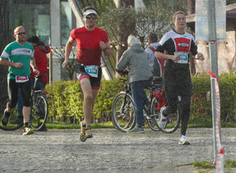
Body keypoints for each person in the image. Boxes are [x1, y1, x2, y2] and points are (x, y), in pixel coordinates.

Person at [154, 11, 205, 145]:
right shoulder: (168, 36)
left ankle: (183, 135)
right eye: (178, 19)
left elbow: (193, 53)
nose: (181, 21)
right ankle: (164, 112)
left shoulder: (190, 37)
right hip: (171, 72)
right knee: (173, 106)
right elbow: (157, 53)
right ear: (174, 22)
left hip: (184, 72)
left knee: (186, 104)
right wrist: (171, 57)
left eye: (183, 19)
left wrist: (198, 56)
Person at [62, 7, 112, 142]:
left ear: (96, 19)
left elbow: (109, 53)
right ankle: (88, 126)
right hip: (82, 67)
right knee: (88, 95)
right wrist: (66, 59)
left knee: (91, 100)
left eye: (93, 17)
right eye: (88, 17)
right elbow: (69, 44)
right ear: (84, 18)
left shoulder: (102, 33)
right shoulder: (77, 32)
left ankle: (84, 123)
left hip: (96, 68)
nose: (91, 19)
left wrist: (105, 48)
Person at [0, 26, 39, 135]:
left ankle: (26, 126)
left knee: (27, 101)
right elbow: (1, 60)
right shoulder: (10, 46)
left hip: (26, 77)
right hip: (13, 77)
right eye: (20, 33)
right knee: (13, 102)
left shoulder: (29, 47)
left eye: (24, 33)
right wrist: (14, 64)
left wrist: (34, 68)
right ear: (15, 35)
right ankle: (7, 112)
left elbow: (32, 59)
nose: (22, 35)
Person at [116, 35, 153, 133]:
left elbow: (119, 66)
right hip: (148, 77)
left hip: (136, 78)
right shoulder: (143, 51)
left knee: (137, 103)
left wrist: (121, 71)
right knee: (141, 91)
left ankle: (139, 126)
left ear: (129, 44)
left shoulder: (128, 52)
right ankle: (149, 106)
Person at [15, 35, 51, 130]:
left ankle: (20, 116)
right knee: (39, 100)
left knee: (21, 93)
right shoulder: (42, 50)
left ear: (32, 43)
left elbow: (29, 63)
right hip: (42, 78)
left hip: (33, 76)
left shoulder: (35, 51)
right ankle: (42, 122)